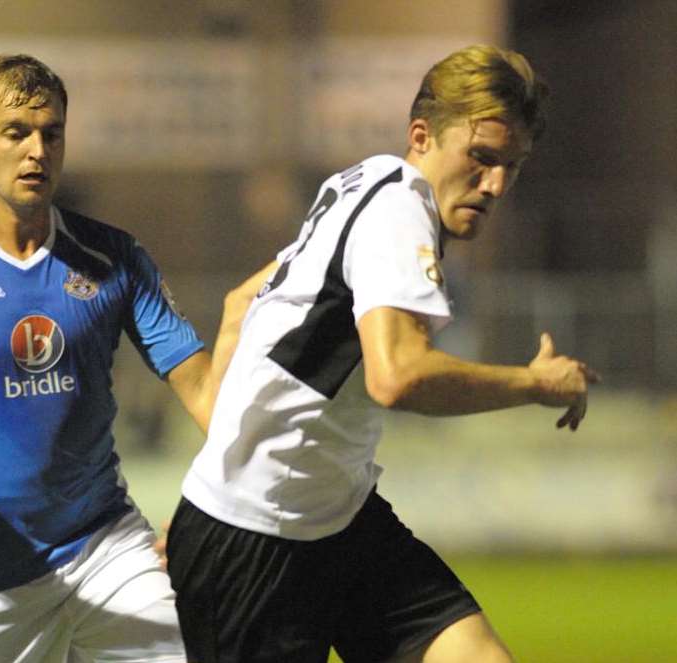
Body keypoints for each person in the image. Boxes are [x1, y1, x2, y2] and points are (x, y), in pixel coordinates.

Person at [166, 44, 599, 663]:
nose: (496, 184)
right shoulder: (401, 211)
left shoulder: (365, 182)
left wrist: (223, 473)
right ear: (421, 135)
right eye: (480, 158)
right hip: (257, 550)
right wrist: (534, 383)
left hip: (339, 521)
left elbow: (240, 305)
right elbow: (397, 376)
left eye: (513, 165)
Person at [0, 54, 266, 663]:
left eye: (51, 133)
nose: (37, 150)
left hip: (103, 547)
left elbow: (201, 391)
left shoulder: (114, 256)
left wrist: (231, 508)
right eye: (16, 133)